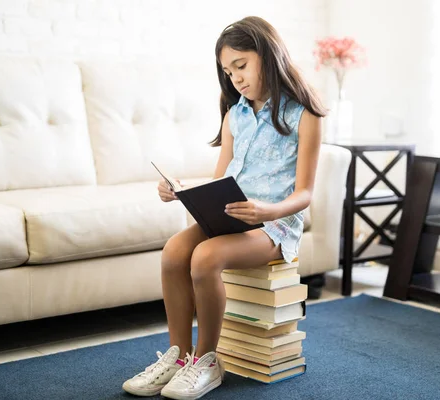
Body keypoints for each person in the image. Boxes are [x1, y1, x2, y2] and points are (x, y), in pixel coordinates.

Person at [122, 15, 325, 399]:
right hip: (228, 218)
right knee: (173, 253)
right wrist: (182, 190)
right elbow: (221, 182)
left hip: (272, 227)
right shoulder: (236, 115)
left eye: (241, 65)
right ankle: (178, 357)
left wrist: (268, 210)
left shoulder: (304, 115)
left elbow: (305, 194)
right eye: (228, 71)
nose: (235, 78)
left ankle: (207, 361)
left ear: (268, 54)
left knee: (204, 258)